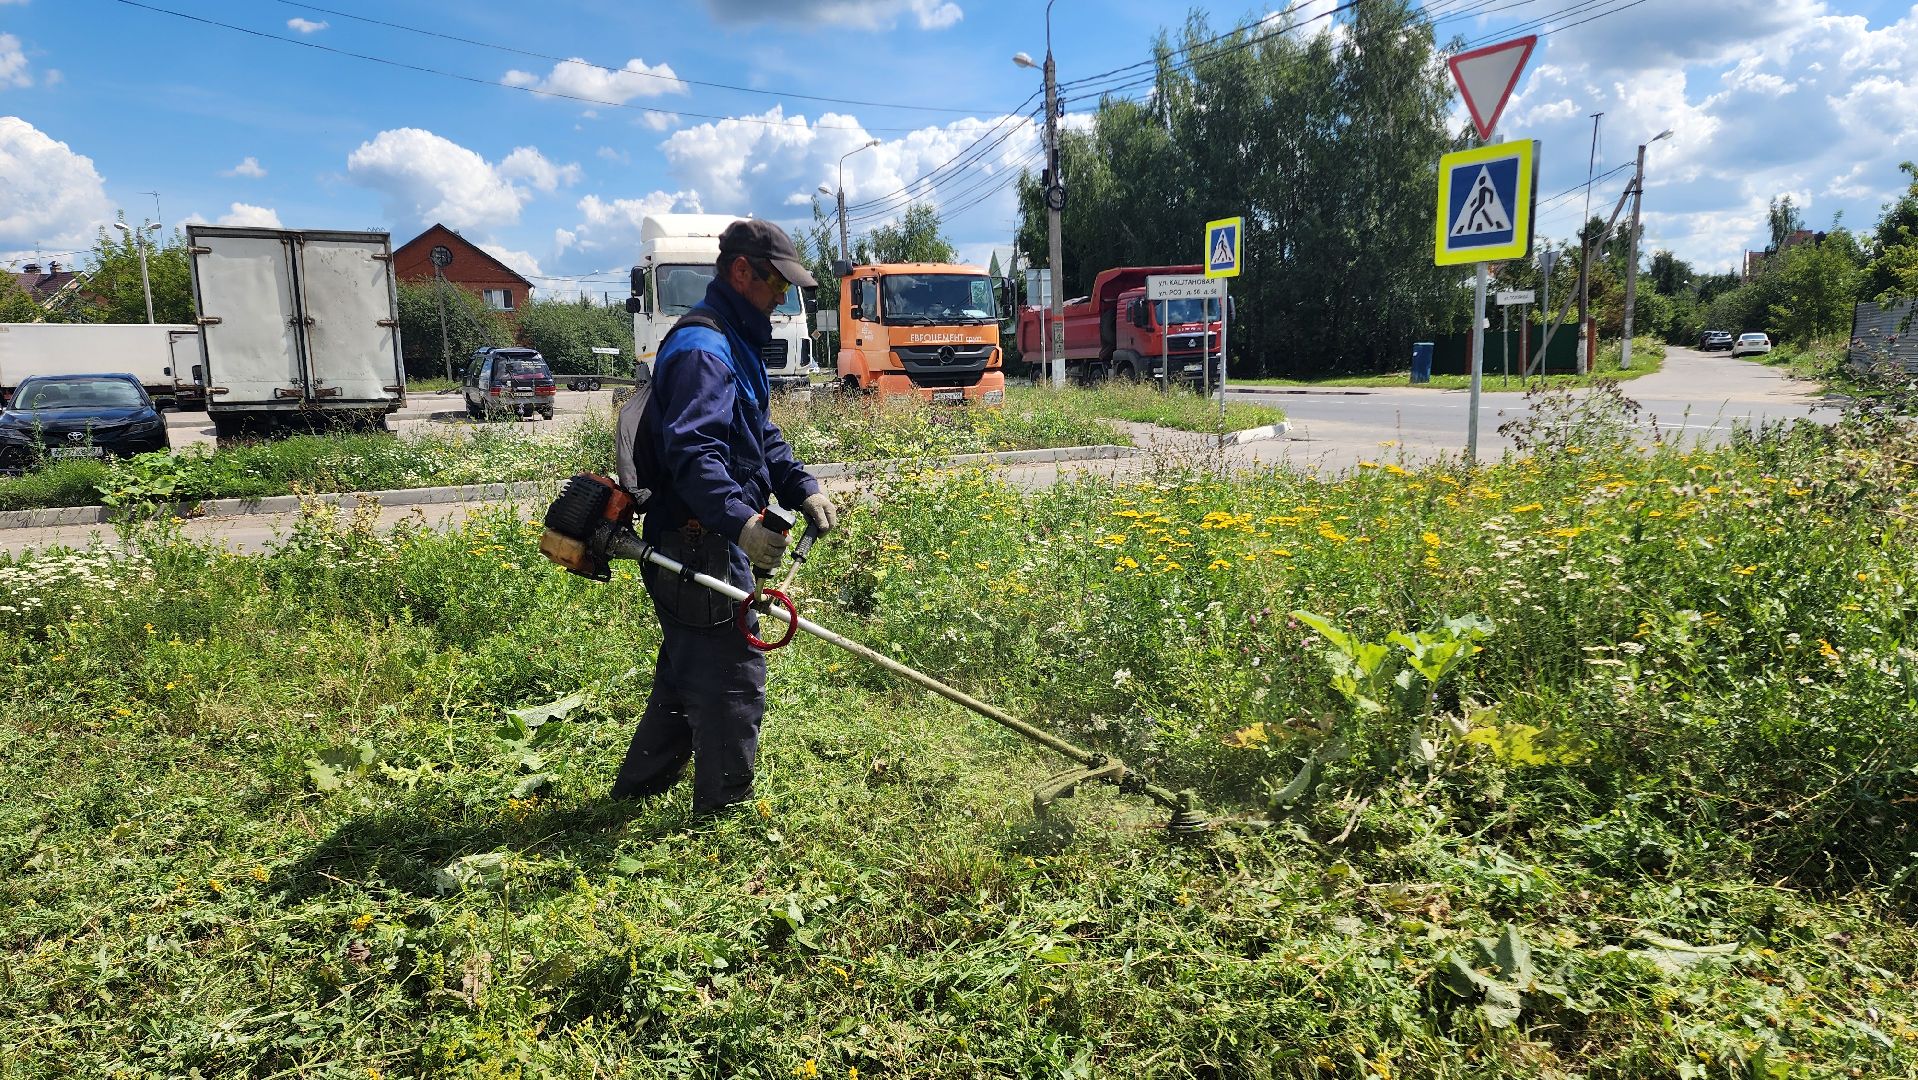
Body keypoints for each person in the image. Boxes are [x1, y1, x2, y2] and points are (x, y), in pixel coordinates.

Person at [611, 219, 837, 813]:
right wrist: (741, 522)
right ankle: (724, 818)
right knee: (733, 677)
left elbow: (756, 431)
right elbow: (693, 454)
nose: (783, 296)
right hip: (696, 543)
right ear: (742, 271)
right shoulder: (703, 350)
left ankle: (638, 789)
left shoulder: (730, 340)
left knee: (689, 669)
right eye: (775, 283)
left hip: (704, 539)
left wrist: (801, 487)